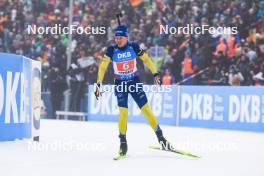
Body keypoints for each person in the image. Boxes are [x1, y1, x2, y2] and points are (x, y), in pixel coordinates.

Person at [94, 25, 172, 157]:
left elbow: (147, 59)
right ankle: (123, 143)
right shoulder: (111, 50)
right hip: (120, 83)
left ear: (126, 38)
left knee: (147, 111)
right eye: (116, 38)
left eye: (120, 38)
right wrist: (98, 84)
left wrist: (156, 74)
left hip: (134, 82)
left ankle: (161, 139)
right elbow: (102, 67)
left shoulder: (134, 46)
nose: (118, 40)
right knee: (123, 113)